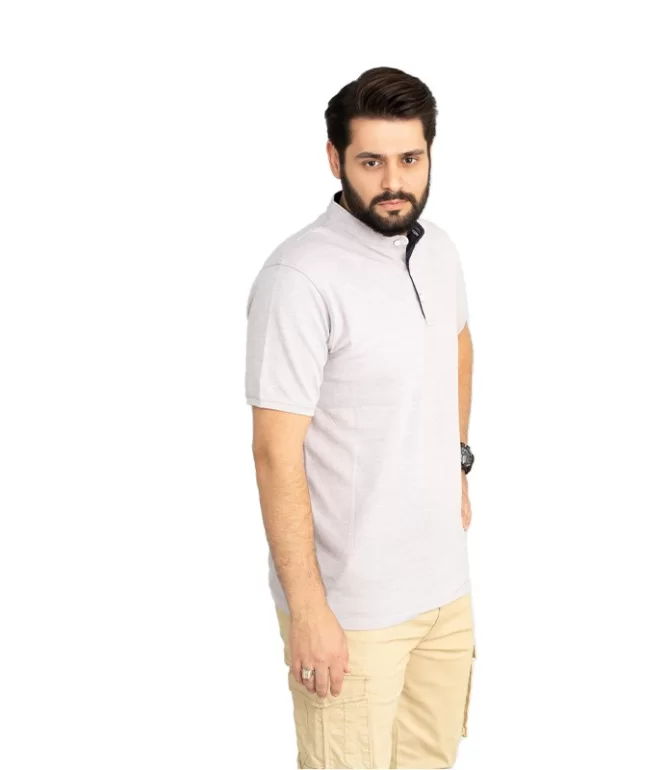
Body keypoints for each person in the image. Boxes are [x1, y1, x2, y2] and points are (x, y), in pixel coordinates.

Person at [245, 66, 476, 769]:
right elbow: (275, 453)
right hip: (352, 609)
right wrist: (309, 610)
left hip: (444, 592)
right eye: (371, 162)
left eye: (410, 159)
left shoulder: (438, 250)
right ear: (334, 159)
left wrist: (458, 460)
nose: (394, 181)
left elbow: (459, 345)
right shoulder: (299, 277)